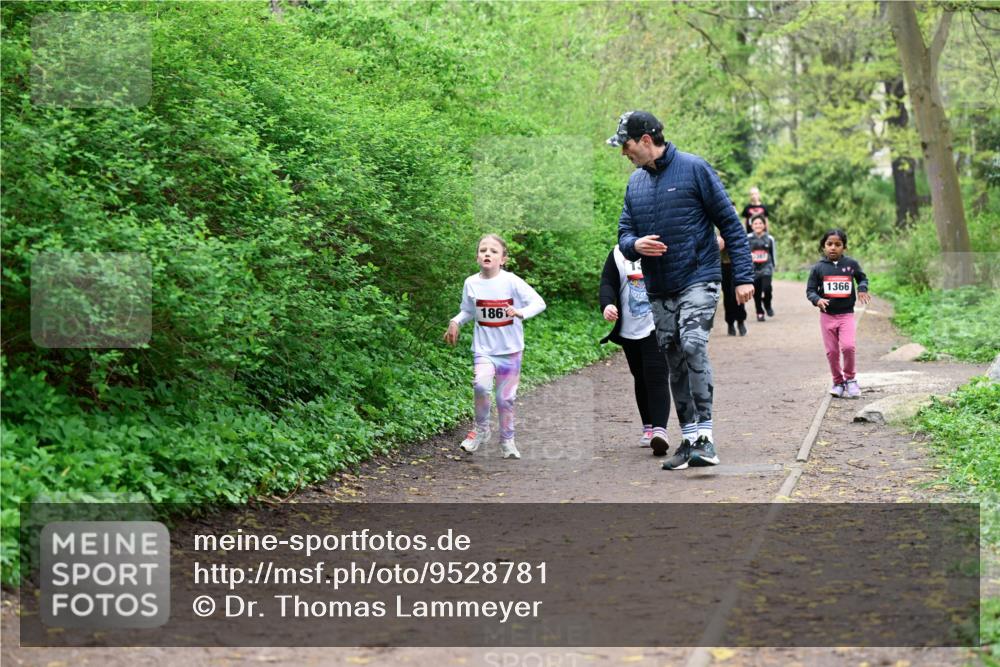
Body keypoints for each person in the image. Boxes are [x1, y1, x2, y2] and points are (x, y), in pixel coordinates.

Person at [609, 110, 754, 470]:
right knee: (673, 356)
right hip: (659, 286)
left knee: (692, 344)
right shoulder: (636, 183)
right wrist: (635, 244)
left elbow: (731, 226)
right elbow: (623, 235)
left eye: (625, 145)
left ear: (645, 140)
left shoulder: (694, 169)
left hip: (698, 277)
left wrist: (744, 277)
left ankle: (705, 437)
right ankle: (689, 438)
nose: (623, 153)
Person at [443, 234, 546, 459]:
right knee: (481, 386)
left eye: (493, 251)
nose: (487, 254)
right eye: (483, 250)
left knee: (504, 398)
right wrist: (456, 321)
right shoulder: (471, 282)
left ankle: (507, 440)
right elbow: (468, 310)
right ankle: (480, 430)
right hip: (484, 350)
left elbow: (539, 303)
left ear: (503, 259)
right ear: (477, 257)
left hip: (510, 351)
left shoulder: (511, 281)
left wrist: (521, 312)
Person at [599, 245, 674, 456]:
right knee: (640, 376)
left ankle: (661, 431)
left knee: (656, 374)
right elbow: (607, 283)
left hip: (657, 323)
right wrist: (606, 305)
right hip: (629, 328)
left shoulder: (662, 248)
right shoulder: (617, 253)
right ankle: (648, 427)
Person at [806, 229, 870, 399]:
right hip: (827, 316)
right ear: (823, 247)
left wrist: (862, 288)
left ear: (844, 247)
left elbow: (862, 278)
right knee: (832, 352)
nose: (833, 248)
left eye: (837, 244)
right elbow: (810, 290)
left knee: (848, 347)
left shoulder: (851, 265)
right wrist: (817, 300)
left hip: (846, 315)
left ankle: (850, 380)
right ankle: (838, 382)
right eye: (829, 244)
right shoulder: (818, 268)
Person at [747, 215, 777, 321]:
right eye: (755, 223)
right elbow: (745, 253)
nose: (758, 225)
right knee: (757, 291)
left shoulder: (770, 238)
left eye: (760, 223)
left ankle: (767, 304)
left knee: (767, 288)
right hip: (753, 269)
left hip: (766, 267)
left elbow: (773, 253)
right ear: (752, 226)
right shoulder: (748, 238)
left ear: (764, 225)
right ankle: (759, 311)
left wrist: (774, 265)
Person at [717, 233, 748, 336]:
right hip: (723, 267)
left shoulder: (736, 230)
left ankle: (741, 321)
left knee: (738, 294)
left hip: (737, 266)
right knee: (728, 296)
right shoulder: (717, 234)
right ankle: (730, 323)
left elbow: (743, 248)